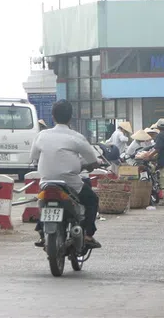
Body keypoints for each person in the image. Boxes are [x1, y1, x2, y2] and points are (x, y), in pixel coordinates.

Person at [30, 99, 101, 249]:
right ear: (70, 117)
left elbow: (34, 157)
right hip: (71, 184)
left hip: (47, 182)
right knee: (92, 200)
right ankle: (88, 234)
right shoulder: (76, 137)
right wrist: (90, 166)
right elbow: (93, 160)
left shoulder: (42, 136)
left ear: (53, 116)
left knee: (43, 203)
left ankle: (42, 232)